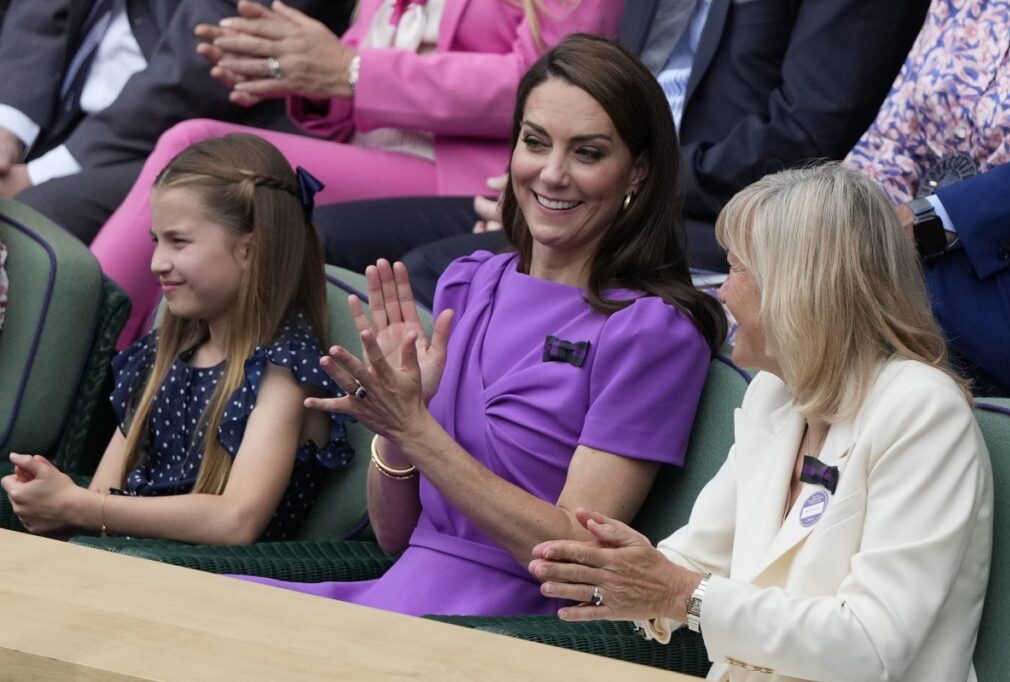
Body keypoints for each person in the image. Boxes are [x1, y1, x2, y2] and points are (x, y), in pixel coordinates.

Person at [236, 34, 727, 617]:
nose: (551, 173)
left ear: (638, 174)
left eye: (588, 153)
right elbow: (397, 535)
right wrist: (396, 424)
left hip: (506, 629)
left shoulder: (652, 330)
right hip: (395, 595)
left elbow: (573, 553)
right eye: (535, 142)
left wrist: (417, 430)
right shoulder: (468, 282)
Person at [528, 163, 993, 681]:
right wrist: (619, 571)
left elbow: (870, 647)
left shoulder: (923, 411)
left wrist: (678, 592)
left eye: (737, 268)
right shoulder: (777, 394)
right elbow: (695, 558)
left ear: (799, 286)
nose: (722, 292)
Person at [311, 0, 931, 306]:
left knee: (433, 273)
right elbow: (598, 82)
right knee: (322, 232)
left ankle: (411, 500)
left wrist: (615, 183)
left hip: (719, 213)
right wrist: (547, 174)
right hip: (604, 177)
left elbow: (802, 135)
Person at [88, 0, 622, 346]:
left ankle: (82, 344)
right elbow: (352, 65)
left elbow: (547, 88)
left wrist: (351, 73)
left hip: (466, 174)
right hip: (370, 151)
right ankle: (144, 379)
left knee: (202, 150)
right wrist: (297, 70)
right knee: (207, 200)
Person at [0, 134, 352, 543]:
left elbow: (236, 520)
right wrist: (56, 499)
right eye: (156, 241)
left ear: (249, 251)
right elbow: (103, 496)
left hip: (209, 587)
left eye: (178, 241)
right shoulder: (164, 352)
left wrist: (81, 506)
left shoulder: (284, 369)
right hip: (124, 569)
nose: (157, 263)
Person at [0, 0, 350, 243]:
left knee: (36, 217)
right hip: (59, 105)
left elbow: (196, 71)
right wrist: (8, 127)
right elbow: (38, 17)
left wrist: (38, 174)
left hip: (194, 133)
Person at [845, 0, 1010, 397]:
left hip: (1000, 283)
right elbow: (894, 138)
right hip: (912, 250)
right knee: (784, 283)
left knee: (836, 315)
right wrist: (840, 219)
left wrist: (929, 221)